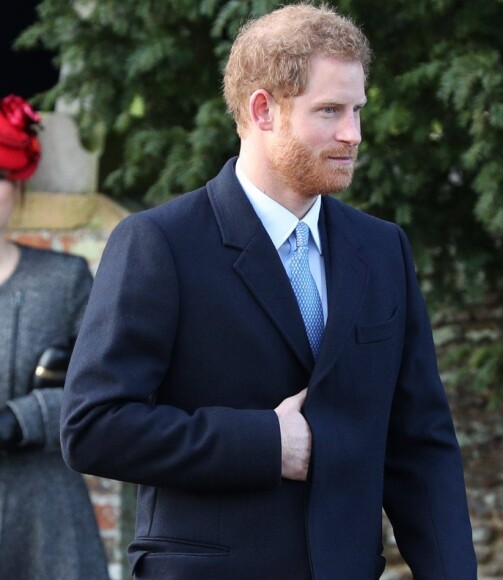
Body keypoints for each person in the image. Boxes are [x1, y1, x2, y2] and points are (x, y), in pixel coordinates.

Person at [61, 4, 477, 579]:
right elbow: (92, 427)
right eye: (329, 110)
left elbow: (421, 445)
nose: (353, 134)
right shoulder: (160, 243)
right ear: (263, 109)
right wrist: (262, 442)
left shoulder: (382, 250)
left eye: (357, 109)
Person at [0, 94, 110, 579]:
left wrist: (23, 418)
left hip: (45, 515)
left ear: (18, 189)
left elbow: (105, 388)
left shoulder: (63, 280)